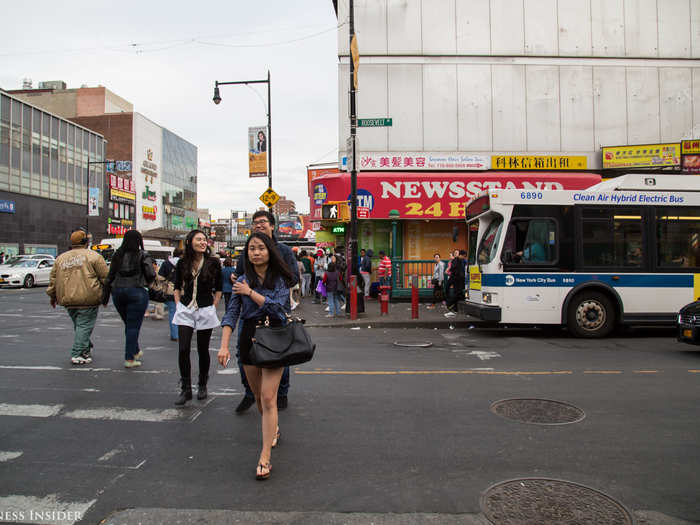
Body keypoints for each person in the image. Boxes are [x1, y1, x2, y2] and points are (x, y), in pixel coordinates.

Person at [218, 232, 295, 480]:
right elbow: (231, 314)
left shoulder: (279, 279)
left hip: (274, 336)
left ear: (269, 251)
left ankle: (264, 457)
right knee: (259, 400)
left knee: (269, 397)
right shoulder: (241, 279)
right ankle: (273, 429)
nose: (256, 252)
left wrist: (250, 293)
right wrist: (224, 346)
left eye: (261, 248)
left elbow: (280, 310)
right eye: (251, 249)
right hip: (248, 338)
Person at [233, 210, 299, 413]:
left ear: (272, 226)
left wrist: (272, 280)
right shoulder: (248, 249)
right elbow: (240, 275)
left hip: (275, 310)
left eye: (262, 222)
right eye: (255, 223)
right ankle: (250, 393)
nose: (258, 225)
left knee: (279, 352)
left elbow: (293, 278)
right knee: (243, 353)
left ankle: (281, 393)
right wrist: (236, 280)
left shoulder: (284, 251)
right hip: (250, 312)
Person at [172, 229, 222, 406]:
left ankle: (202, 384)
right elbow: (176, 286)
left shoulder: (213, 263)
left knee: (203, 349)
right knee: (183, 348)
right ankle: (185, 388)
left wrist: (213, 306)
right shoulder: (182, 263)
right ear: (190, 242)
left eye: (204, 239)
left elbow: (219, 288)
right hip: (185, 308)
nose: (202, 242)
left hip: (205, 309)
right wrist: (178, 303)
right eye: (199, 239)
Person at [47, 229, 108, 365]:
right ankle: (78, 353)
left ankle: (85, 347)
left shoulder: (61, 258)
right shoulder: (94, 257)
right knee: (84, 325)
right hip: (88, 297)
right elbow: (105, 278)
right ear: (86, 242)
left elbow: (53, 279)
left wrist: (52, 296)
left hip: (67, 297)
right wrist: (107, 295)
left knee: (80, 325)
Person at [105, 230, 156, 368]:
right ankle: (129, 358)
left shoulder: (117, 255)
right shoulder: (142, 255)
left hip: (118, 292)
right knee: (133, 326)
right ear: (139, 241)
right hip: (137, 290)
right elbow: (151, 274)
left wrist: (105, 296)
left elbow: (110, 276)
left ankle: (135, 350)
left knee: (129, 324)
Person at [158, 248, 182, 341]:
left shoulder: (166, 263)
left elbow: (160, 277)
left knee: (173, 312)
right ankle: (184, 333)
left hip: (170, 290)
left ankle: (175, 335)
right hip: (183, 291)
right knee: (184, 312)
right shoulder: (186, 263)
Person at [445, 250, 467, 314]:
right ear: (461, 255)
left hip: (459, 280)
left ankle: (455, 308)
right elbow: (453, 269)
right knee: (458, 293)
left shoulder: (462, 261)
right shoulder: (456, 260)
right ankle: (450, 304)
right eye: (464, 256)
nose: (464, 257)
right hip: (457, 280)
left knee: (458, 294)